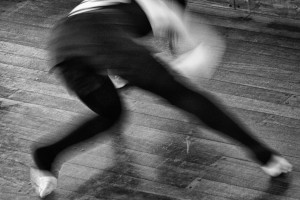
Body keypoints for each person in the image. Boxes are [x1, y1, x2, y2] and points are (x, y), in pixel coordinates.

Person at [30, 0, 292, 198]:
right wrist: (167, 78)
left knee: (112, 114)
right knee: (186, 97)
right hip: (101, 37)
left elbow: (105, 50)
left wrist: (137, 74)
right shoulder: (165, 6)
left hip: (62, 44)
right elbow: (204, 52)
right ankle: (265, 156)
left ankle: (46, 157)